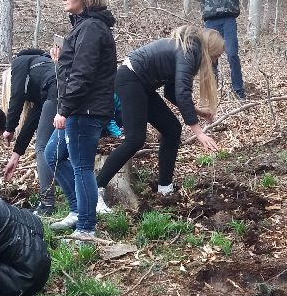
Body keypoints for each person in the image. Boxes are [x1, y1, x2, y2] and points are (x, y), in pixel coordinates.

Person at [92, 25, 223, 210]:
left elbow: (172, 93)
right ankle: (95, 190)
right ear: (210, 51)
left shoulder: (187, 50)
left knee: (172, 130)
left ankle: (164, 188)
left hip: (141, 83)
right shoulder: (189, 52)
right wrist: (199, 133)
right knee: (135, 139)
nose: (216, 61)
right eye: (216, 56)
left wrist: (197, 111)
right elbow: (182, 93)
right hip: (130, 78)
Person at [45, 0, 118, 243]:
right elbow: (73, 70)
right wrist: (60, 59)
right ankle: (78, 211)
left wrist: (64, 110)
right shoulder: (83, 26)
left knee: (82, 166)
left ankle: (86, 228)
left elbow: (83, 76)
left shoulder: (91, 28)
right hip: (78, 106)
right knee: (53, 154)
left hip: (85, 110)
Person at [183, 0, 253, 100]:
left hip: (228, 21)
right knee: (210, 58)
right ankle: (212, 91)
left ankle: (239, 91)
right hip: (210, 23)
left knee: (232, 55)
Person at [1, 49, 58, 215]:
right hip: (66, 92)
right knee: (55, 147)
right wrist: (16, 155)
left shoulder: (19, 62)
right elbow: (32, 120)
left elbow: (17, 95)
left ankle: (47, 205)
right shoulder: (42, 73)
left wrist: (9, 128)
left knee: (42, 147)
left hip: (58, 92)